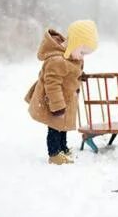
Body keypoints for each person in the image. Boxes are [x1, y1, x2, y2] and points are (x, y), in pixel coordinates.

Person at [24, 20, 98, 165]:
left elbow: (69, 71)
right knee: (54, 128)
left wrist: (78, 76)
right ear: (74, 43)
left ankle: (62, 148)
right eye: (82, 52)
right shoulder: (56, 60)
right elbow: (51, 84)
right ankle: (54, 153)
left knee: (62, 127)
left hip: (66, 99)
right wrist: (57, 105)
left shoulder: (69, 56)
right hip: (54, 102)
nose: (83, 57)